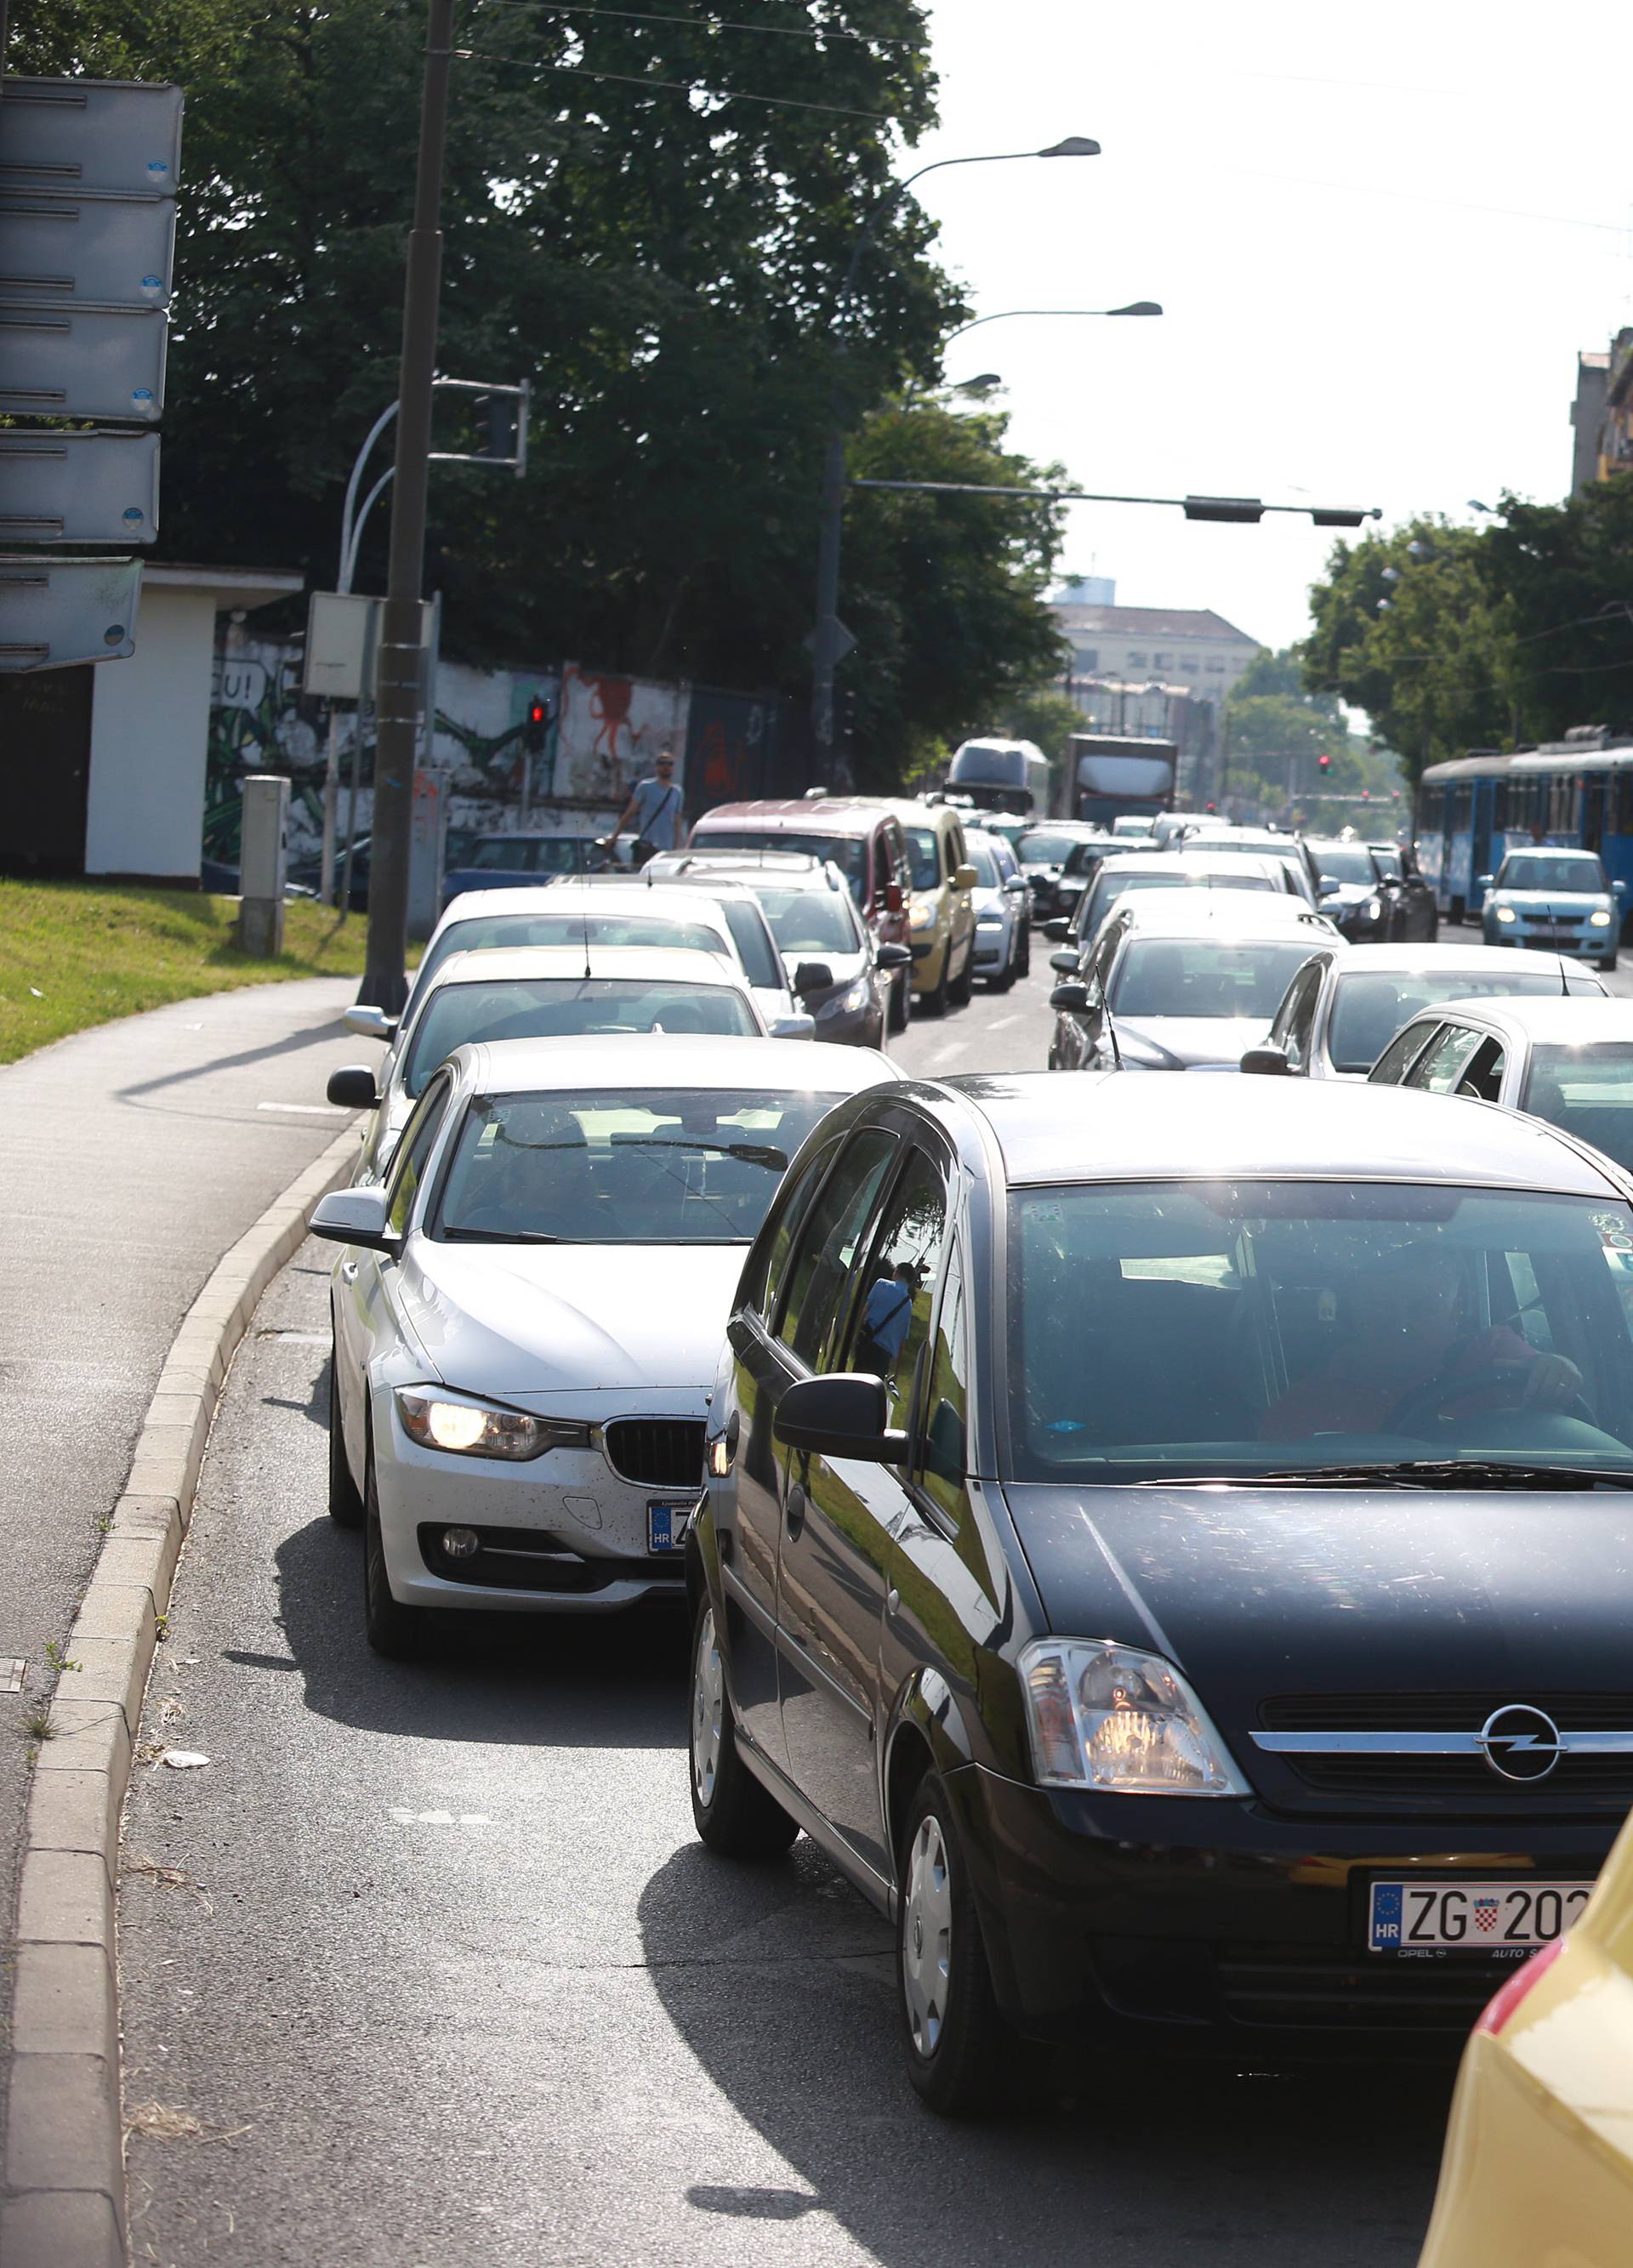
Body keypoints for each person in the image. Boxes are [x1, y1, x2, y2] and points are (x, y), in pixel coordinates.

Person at [1260, 1245, 1584, 1441]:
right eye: (1380, 1307)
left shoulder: (1494, 1356)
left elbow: (1543, 1380)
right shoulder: (1306, 1405)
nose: (1400, 1325)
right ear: (1354, 1310)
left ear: (1456, 1311)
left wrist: (1554, 1371)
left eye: (1423, 1309)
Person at [612, 747, 684, 869]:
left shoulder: (677, 792)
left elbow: (677, 822)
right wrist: (615, 837)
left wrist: (677, 848)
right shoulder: (645, 787)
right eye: (662, 763)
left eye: (669, 764)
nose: (666, 766)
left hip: (667, 850)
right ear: (656, 767)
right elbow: (630, 813)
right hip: (647, 846)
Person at [854, 1261, 919, 1380]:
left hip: (867, 1344)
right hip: (883, 1357)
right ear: (910, 1282)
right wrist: (897, 1373)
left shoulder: (881, 1284)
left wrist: (855, 1336)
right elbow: (903, 1341)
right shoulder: (907, 1304)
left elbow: (864, 1312)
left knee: (855, 1382)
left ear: (896, 1273)